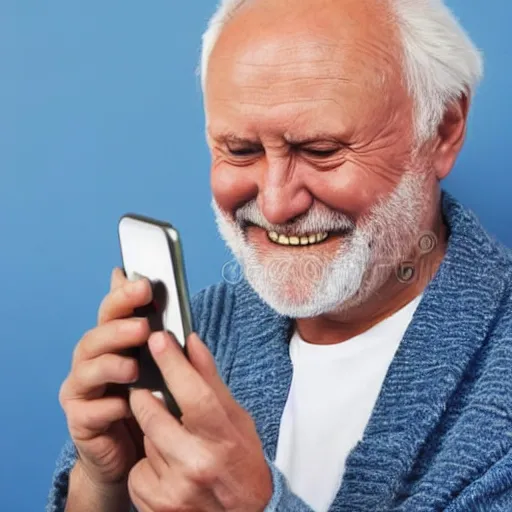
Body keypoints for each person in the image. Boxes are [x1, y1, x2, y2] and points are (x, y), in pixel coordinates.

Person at [47, 0, 512, 510]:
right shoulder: (201, 328)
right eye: (241, 150)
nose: (274, 204)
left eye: (320, 150)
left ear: (442, 129)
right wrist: (102, 484)